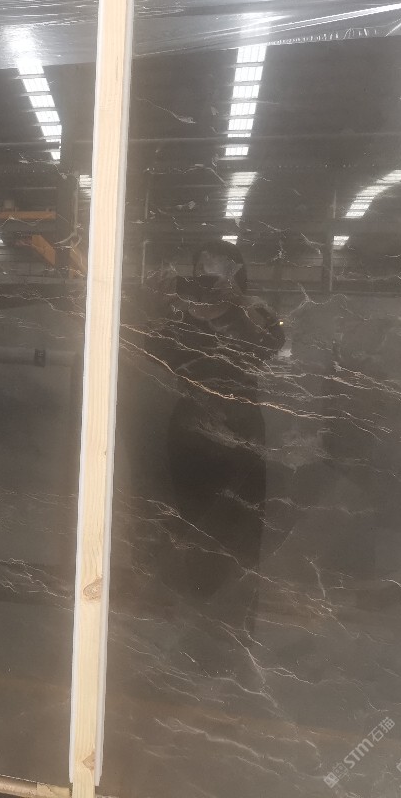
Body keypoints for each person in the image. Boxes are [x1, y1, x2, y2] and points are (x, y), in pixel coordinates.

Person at [142, 240, 284, 642]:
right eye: (203, 271)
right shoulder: (180, 319)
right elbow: (151, 349)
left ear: (238, 276)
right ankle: (202, 616)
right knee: (196, 523)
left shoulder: (253, 314)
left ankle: (240, 621)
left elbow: (273, 345)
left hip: (242, 432)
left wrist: (239, 305)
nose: (210, 279)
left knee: (245, 524)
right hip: (192, 431)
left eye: (221, 271)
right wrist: (158, 306)